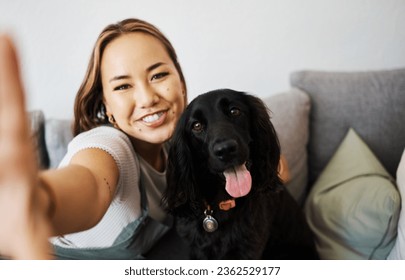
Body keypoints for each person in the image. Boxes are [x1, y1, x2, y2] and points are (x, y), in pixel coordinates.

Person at [0, 18, 290, 260]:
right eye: (123, 85)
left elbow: (278, 168)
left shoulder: (183, 146)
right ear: (107, 108)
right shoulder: (108, 146)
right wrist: (40, 201)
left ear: (181, 82)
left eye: (158, 75)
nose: (148, 98)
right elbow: (91, 184)